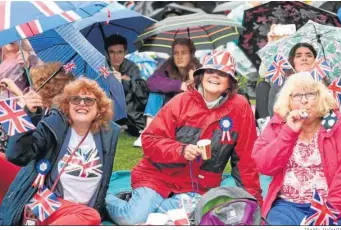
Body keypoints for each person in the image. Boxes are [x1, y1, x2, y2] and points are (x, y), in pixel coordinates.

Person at [105, 50, 263, 225]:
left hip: (199, 186)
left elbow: (246, 160)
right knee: (132, 219)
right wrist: (181, 150)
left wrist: (254, 203)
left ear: (230, 83)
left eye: (222, 74)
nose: (215, 77)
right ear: (201, 76)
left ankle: (149, 205)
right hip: (158, 176)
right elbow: (149, 140)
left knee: (179, 221)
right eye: (211, 71)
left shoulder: (240, 107)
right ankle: (106, 201)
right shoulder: (180, 101)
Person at [0, 78, 120, 226]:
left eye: (89, 100)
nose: (82, 103)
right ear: (67, 105)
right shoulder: (54, 124)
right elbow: (16, 155)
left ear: (99, 108)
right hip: (50, 205)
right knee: (91, 215)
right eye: (75, 99)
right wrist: (28, 113)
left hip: (80, 213)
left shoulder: (108, 133)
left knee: (91, 215)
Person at [0, 62, 74, 217]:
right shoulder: (45, 111)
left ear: (47, 89)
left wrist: (27, 112)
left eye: (37, 84)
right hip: (25, 171)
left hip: (34, 182)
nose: (32, 88)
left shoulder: (57, 117)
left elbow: (17, 154)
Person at [252, 72, 341, 226]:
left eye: (310, 94)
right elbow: (264, 166)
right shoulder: (279, 124)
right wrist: (289, 132)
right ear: (288, 101)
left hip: (335, 206)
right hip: (287, 205)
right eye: (296, 96)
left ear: (321, 97)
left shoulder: (340, 125)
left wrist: (327, 211)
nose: (304, 101)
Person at [133, 38, 201, 147]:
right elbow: (151, 82)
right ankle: (147, 132)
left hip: (189, 113)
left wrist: (194, 81)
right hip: (168, 108)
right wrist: (179, 85)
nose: (179, 57)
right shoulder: (168, 66)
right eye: (176, 53)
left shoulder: (198, 69)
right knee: (156, 93)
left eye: (184, 53)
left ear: (191, 54)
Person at [105, 34, 148, 137]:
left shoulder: (132, 67)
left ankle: (126, 124)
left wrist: (125, 82)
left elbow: (140, 94)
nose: (116, 56)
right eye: (112, 52)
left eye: (120, 52)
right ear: (106, 53)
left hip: (129, 110)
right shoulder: (102, 67)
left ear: (125, 52)